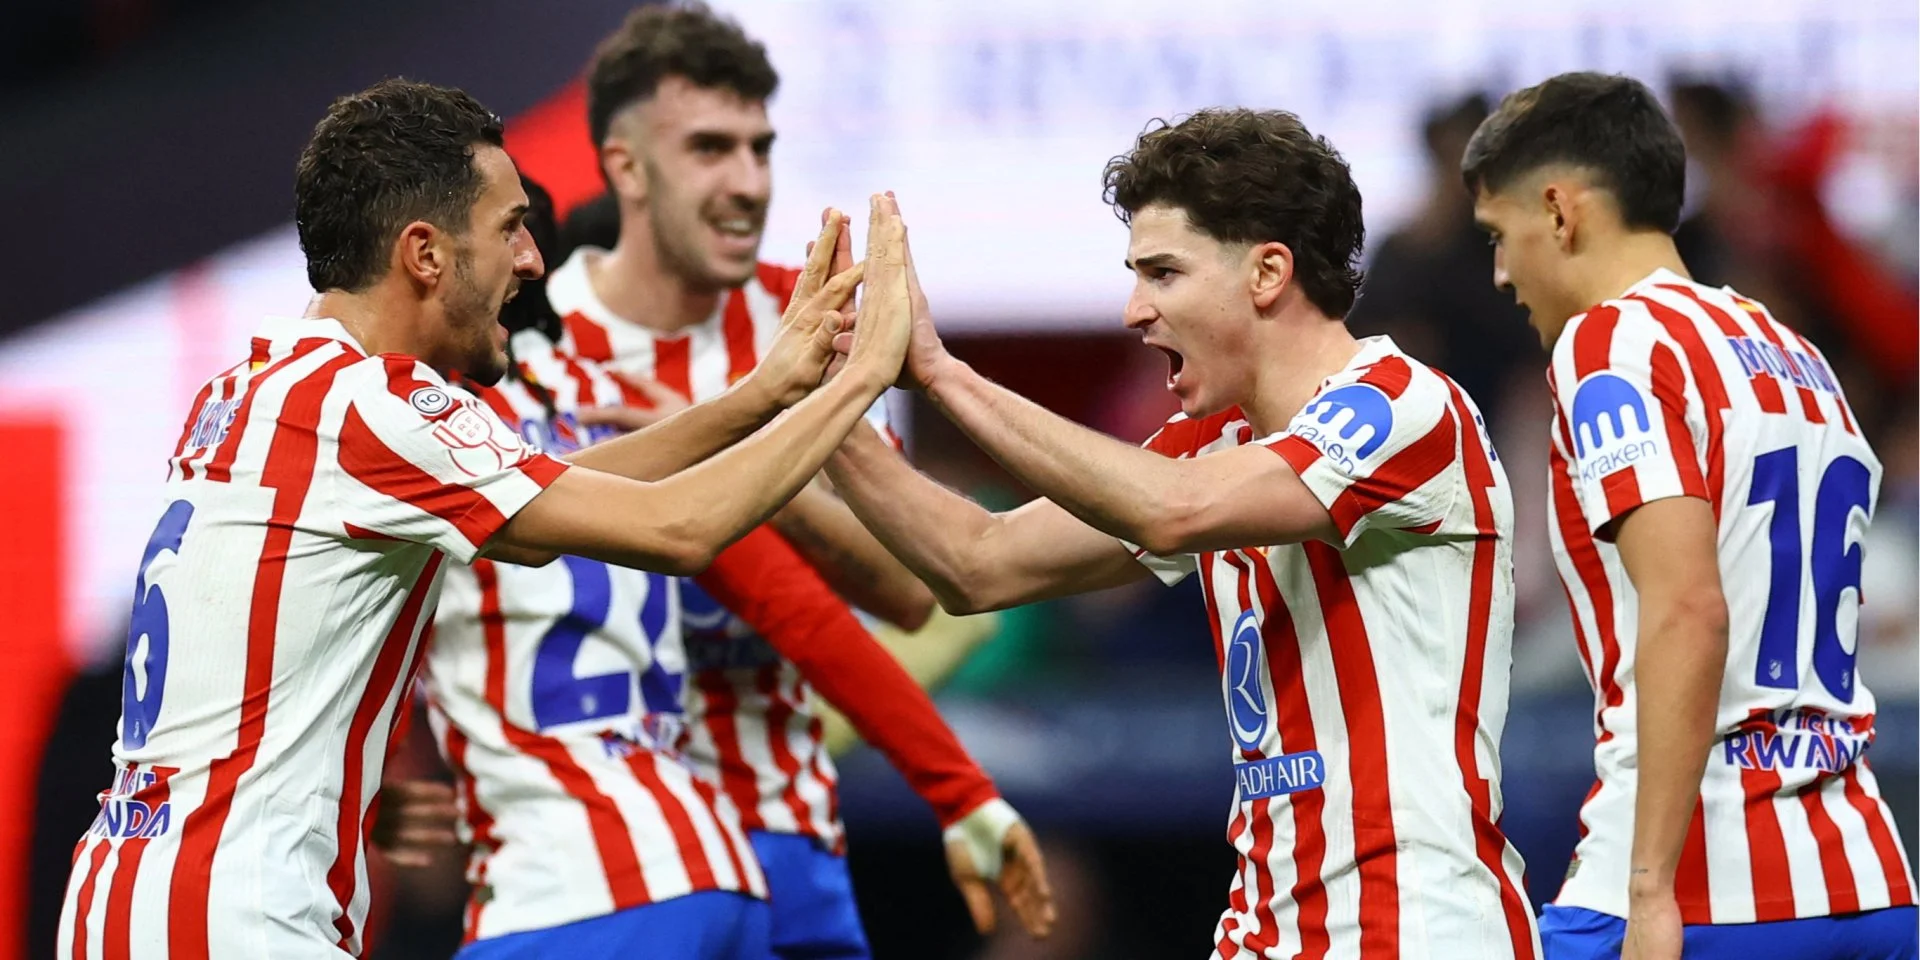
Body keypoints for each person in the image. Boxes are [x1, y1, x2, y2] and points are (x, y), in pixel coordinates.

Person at [55, 77, 913, 959]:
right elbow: (674, 530)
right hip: (238, 916)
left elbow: (565, 487)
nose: (533, 260)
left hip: (129, 891)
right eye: (509, 227)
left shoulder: (254, 390)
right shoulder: (373, 406)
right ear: (425, 254)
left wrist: (763, 395)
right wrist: (856, 382)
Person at [824, 112, 1541, 957]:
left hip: (1414, 931)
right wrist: (832, 401)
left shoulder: (1403, 407)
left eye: (1163, 273)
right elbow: (978, 563)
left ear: (1268, 272)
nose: (1135, 311)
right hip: (1266, 930)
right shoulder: (1215, 446)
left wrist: (943, 374)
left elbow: (1175, 510)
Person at [408, 175, 1050, 958]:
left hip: (569, 888)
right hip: (728, 866)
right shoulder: (607, 421)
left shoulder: (398, 439)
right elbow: (805, 614)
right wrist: (963, 793)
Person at [543, 7, 988, 955]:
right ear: (627, 167)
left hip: (784, 833)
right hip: (589, 847)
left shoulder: (814, 317)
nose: (748, 182)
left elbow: (912, 591)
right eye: (710, 148)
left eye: (760, 148)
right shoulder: (525, 335)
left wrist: (738, 458)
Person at [1462, 72, 1917, 960]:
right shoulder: (1798, 355)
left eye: (1499, 235)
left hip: (1710, 889)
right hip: (1868, 882)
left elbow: (1688, 608)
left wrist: (1648, 891)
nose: (1502, 272)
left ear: (1559, 210)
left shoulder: (1610, 345)